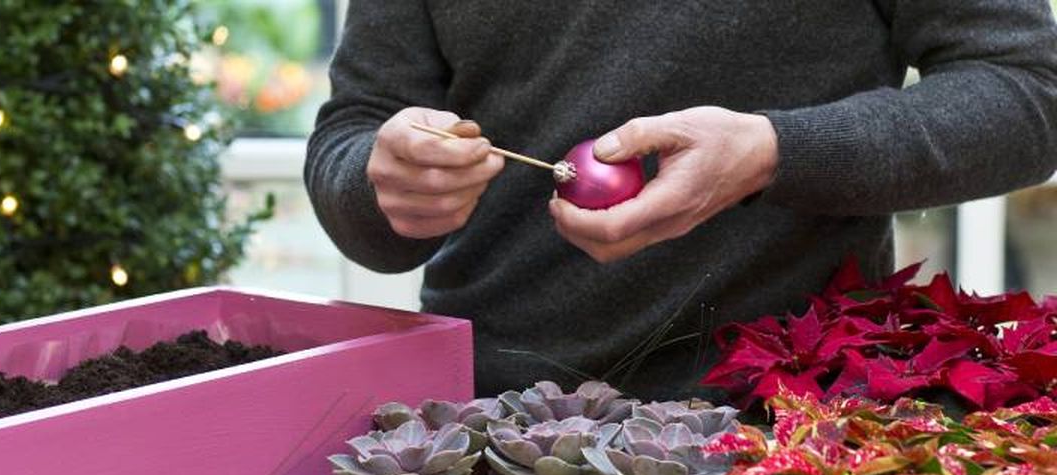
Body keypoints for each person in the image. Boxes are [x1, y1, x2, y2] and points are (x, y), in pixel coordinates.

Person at [305, 1, 1057, 399]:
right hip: (484, 443)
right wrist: (384, 183)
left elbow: (1030, 94)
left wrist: (773, 153)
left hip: (790, 455)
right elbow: (355, 132)